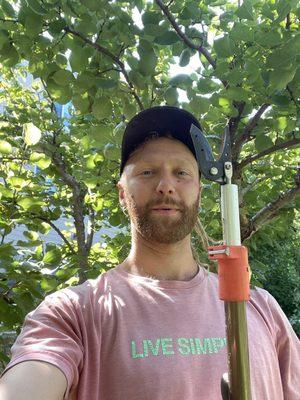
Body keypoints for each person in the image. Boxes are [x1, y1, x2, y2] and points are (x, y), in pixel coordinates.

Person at [0, 106, 299, 400]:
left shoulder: (263, 309)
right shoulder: (74, 313)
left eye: (181, 173)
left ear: (199, 191)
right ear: (121, 193)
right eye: (147, 172)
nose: (166, 185)